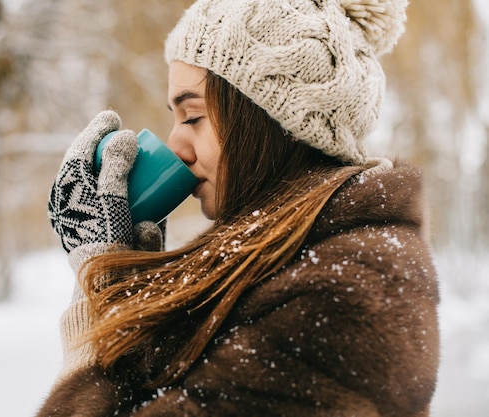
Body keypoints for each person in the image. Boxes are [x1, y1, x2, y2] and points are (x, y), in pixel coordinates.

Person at [39, 0, 440, 416]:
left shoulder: (339, 293)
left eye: (192, 116)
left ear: (281, 122)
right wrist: (123, 285)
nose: (174, 145)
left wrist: (96, 294)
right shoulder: (289, 261)